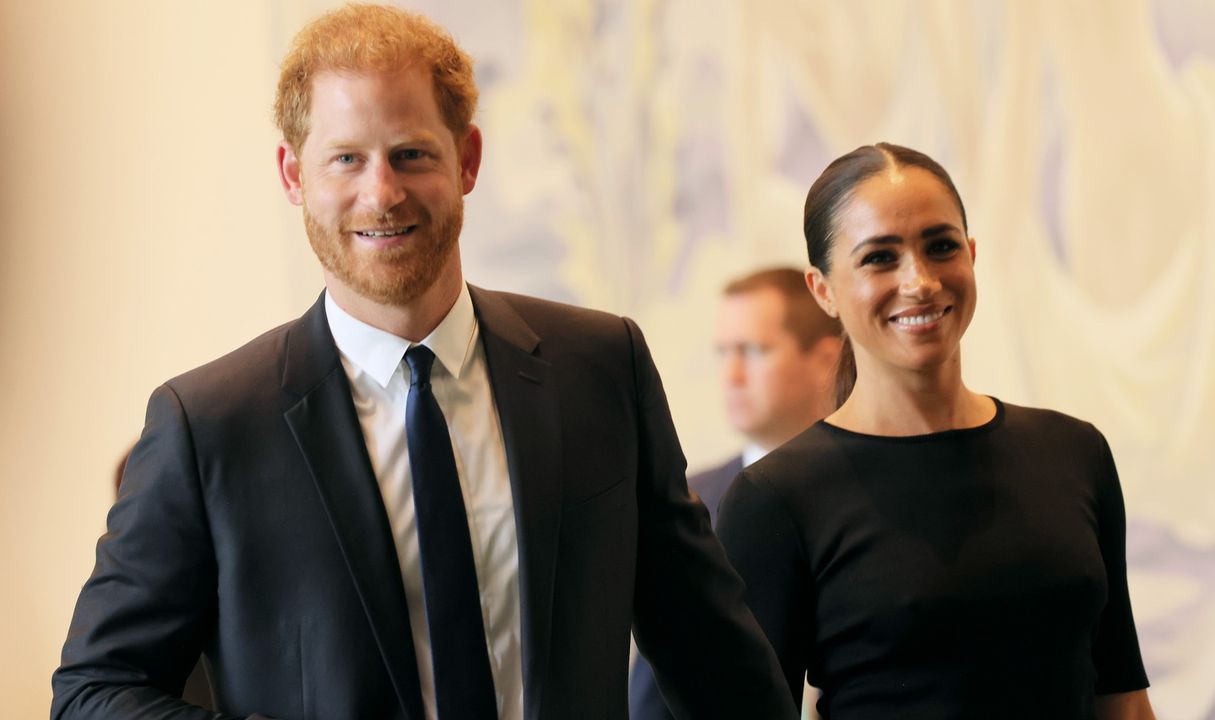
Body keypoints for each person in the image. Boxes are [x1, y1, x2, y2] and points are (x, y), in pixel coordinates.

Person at [51, 5, 794, 719]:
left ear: (467, 159)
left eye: (411, 154)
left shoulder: (601, 368)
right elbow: (93, 691)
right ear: (292, 176)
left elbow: (714, 657)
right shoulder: (207, 425)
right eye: (346, 159)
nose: (382, 192)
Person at [715, 143, 1157, 719]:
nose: (920, 281)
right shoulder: (777, 497)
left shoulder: (1073, 452)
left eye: (941, 247)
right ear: (823, 290)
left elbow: (1121, 698)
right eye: (879, 257)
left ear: (971, 255)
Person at [629, 267, 840, 720]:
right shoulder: (685, 502)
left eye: (753, 350)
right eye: (723, 353)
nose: (731, 374)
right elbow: (654, 696)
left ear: (828, 358)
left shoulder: (872, 493)